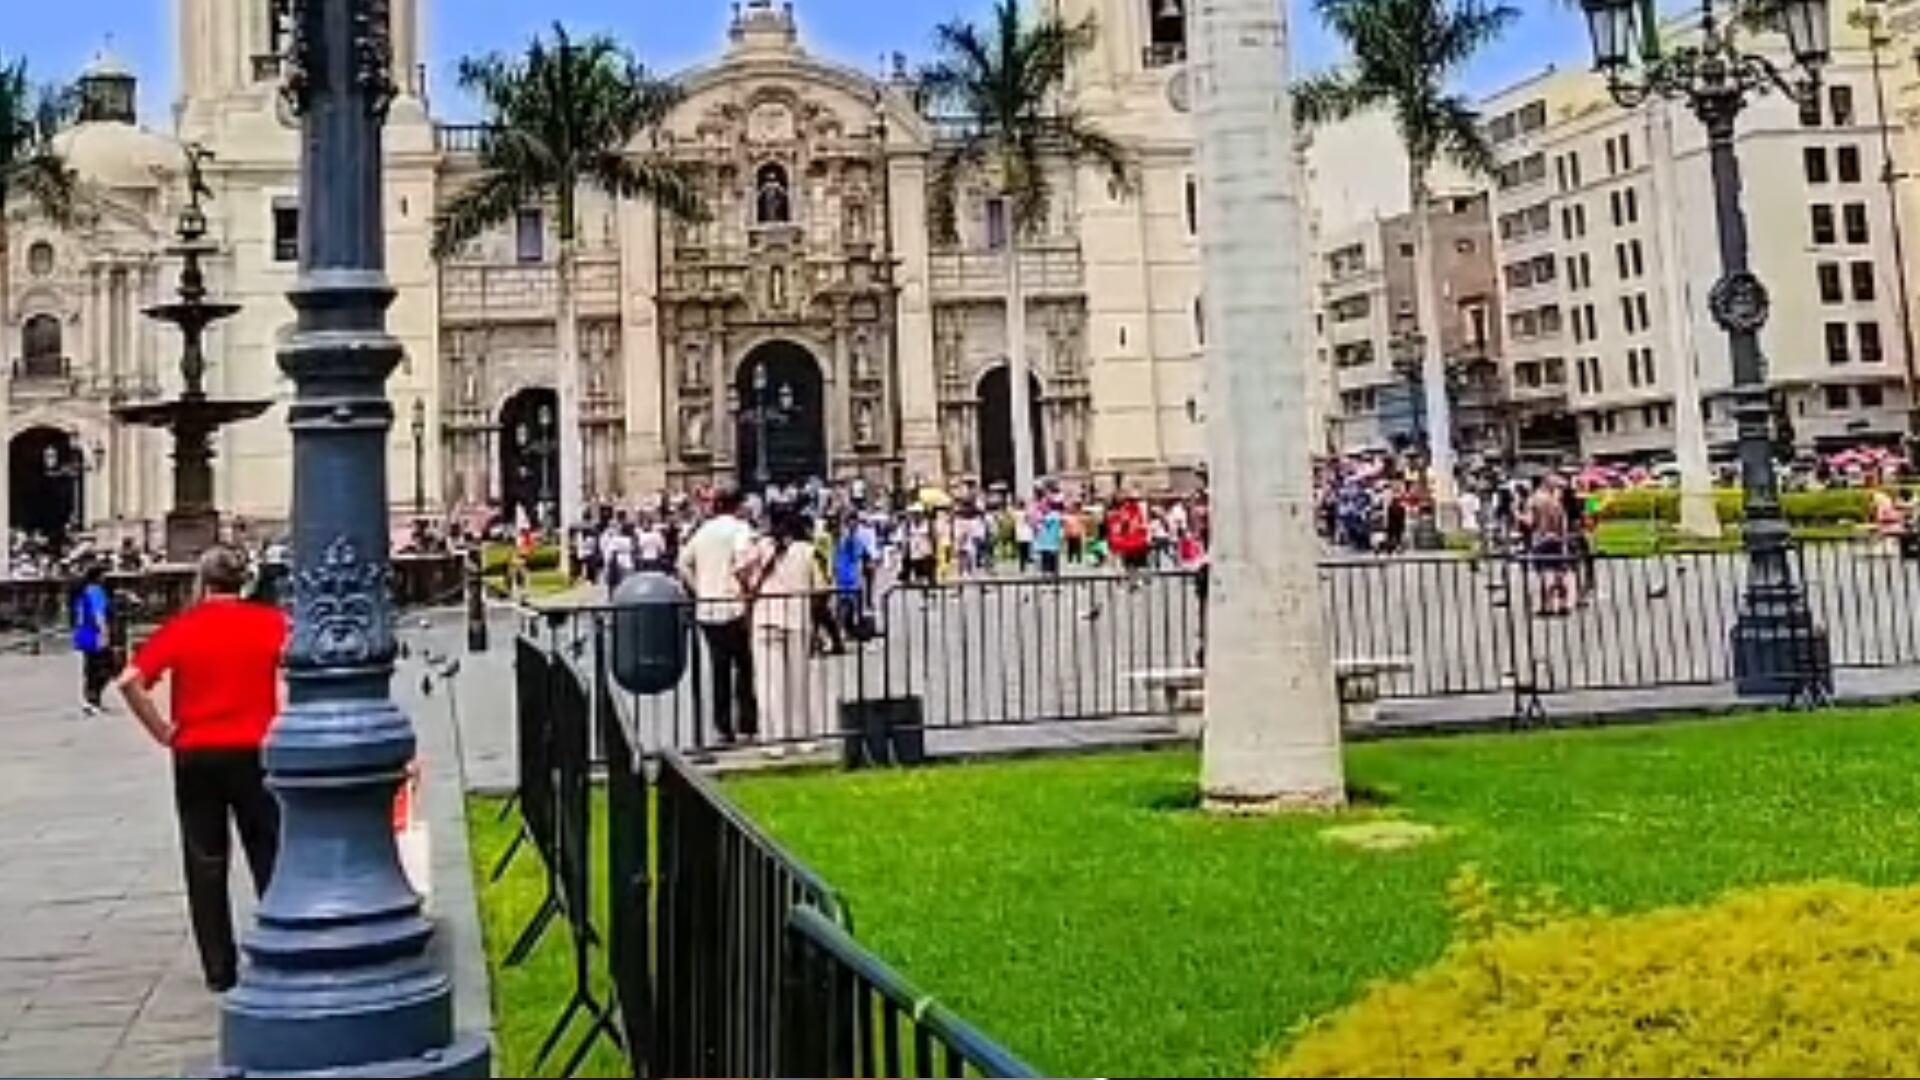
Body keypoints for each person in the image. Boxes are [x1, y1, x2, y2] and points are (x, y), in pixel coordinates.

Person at [116, 545, 288, 993]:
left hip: (196, 751)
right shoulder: (269, 622)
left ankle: (219, 968)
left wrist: (162, 731)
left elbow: (130, 680)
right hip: (255, 747)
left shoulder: (184, 626)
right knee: (268, 848)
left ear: (202, 581)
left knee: (205, 860)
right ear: (242, 581)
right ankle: (281, 945)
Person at [739, 505, 827, 753]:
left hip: (765, 617)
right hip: (797, 618)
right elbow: (821, 588)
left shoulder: (758, 547)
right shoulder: (807, 551)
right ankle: (803, 738)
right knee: (799, 682)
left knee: (768, 684)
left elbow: (739, 574)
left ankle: (773, 741)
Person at [678, 488, 759, 744]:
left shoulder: (703, 531)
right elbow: (744, 560)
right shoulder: (740, 528)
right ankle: (747, 723)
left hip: (708, 607)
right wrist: (746, 586)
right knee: (745, 667)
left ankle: (723, 727)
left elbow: (681, 563)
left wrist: (699, 588)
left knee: (719, 668)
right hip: (734, 606)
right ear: (738, 506)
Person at [73, 563, 114, 716]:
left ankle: (92, 700)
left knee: (91, 668)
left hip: (84, 633)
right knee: (104, 667)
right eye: (103, 575)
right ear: (98, 577)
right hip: (94, 633)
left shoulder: (84, 592)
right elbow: (99, 615)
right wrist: (104, 633)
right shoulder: (96, 592)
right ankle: (93, 699)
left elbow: (79, 615)